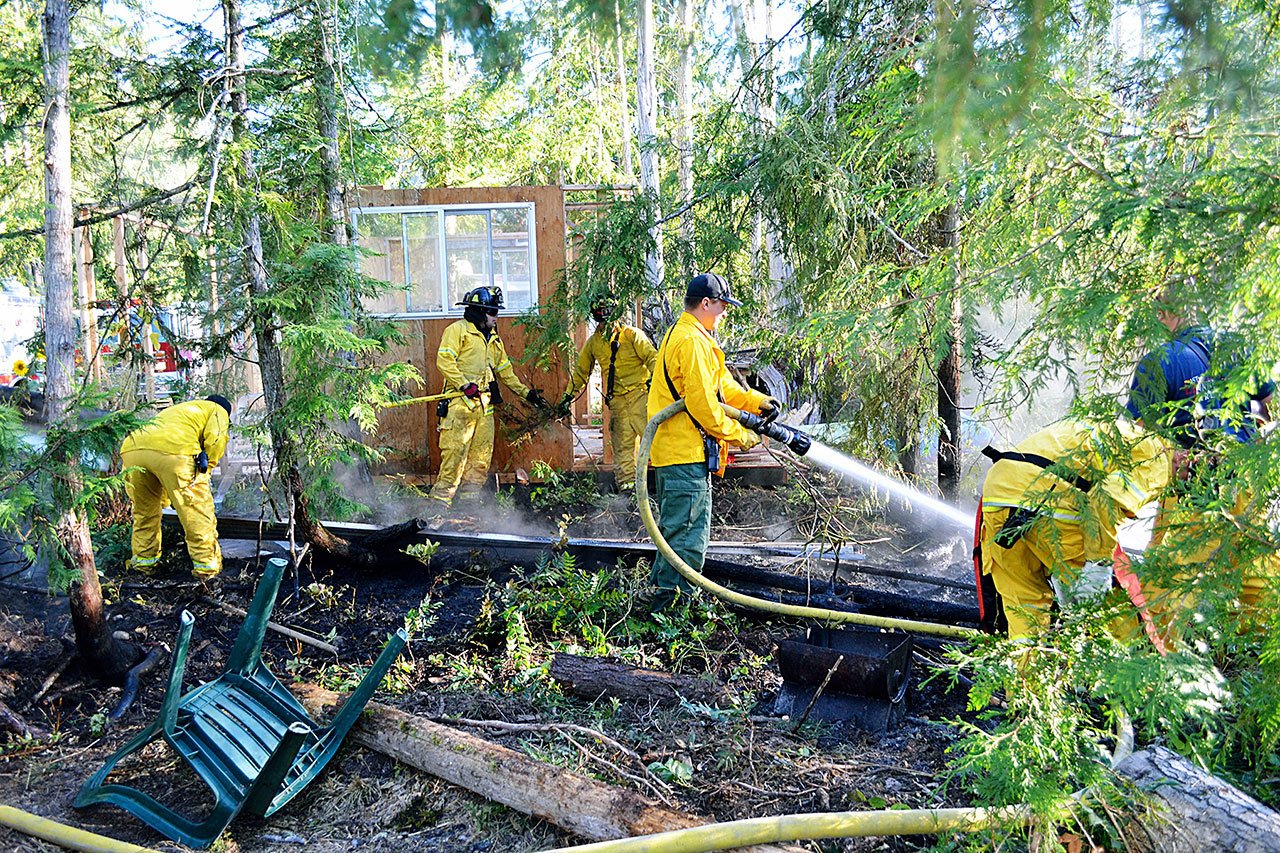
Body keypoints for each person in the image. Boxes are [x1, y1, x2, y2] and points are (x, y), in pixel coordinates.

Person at [1124, 295, 1277, 630]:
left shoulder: (1160, 361)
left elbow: (1133, 436)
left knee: (1166, 582)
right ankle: (1255, 657)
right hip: (1248, 483)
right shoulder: (1237, 346)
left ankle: (1160, 662)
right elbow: (1267, 405)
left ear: (1163, 314)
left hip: (1196, 487)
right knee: (1257, 575)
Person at [644, 273, 779, 612]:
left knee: (675, 534)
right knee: (687, 540)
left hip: (679, 452)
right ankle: (672, 615)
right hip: (683, 455)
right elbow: (705, 407)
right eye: (721, 306)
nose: (724, 313)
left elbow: (720, 388)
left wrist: (756, 401)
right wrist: (741, 436)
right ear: (706, 303)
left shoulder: (694, 336)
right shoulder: (691, 342)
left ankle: (660, 604)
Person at [975, 419, 1173, 640]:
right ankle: (1132, 667)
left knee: (1024, 607)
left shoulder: (1112, 428)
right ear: (1188, 456)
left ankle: (1022, 671)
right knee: (1110, 607)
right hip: (1048, 500)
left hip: (998, 494)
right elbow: (1105, 501)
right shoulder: (1161, 457)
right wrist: (1098, 565)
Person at [429, 286, 550, 509]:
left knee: (480, 462)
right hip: (459, 405)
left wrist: (527, 394)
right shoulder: (457, 331)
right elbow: (444, 361)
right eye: (493, 312)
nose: (496, 317)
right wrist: (465, 385)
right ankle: (437, 510)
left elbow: (505, 372)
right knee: (454, 460)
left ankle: (469, 509)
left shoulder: (493, 339)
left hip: (484, 408)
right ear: (479, 311)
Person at [120, 394, 232, 581]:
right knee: (196, 513)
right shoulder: (217, 409)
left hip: (132, 450)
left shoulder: (180, 411)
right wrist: (206, 469)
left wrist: (165, 499)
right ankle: (208, 570)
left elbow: (158, 466)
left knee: (145, 512)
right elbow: (215, 440)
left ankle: (143, 566)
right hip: (175, 452)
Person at [558, 298, 657, 494]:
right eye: (600, 320)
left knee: (656, 443)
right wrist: (567, 397)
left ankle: (664, 488)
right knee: (623, 450)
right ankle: (629, 493)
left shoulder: (631, 335)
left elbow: (652, 358)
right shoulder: (594, 343)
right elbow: (580, 373)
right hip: (618, 403)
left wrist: (655, 382)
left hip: (640, 398)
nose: (604, 324)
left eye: (607, 319)